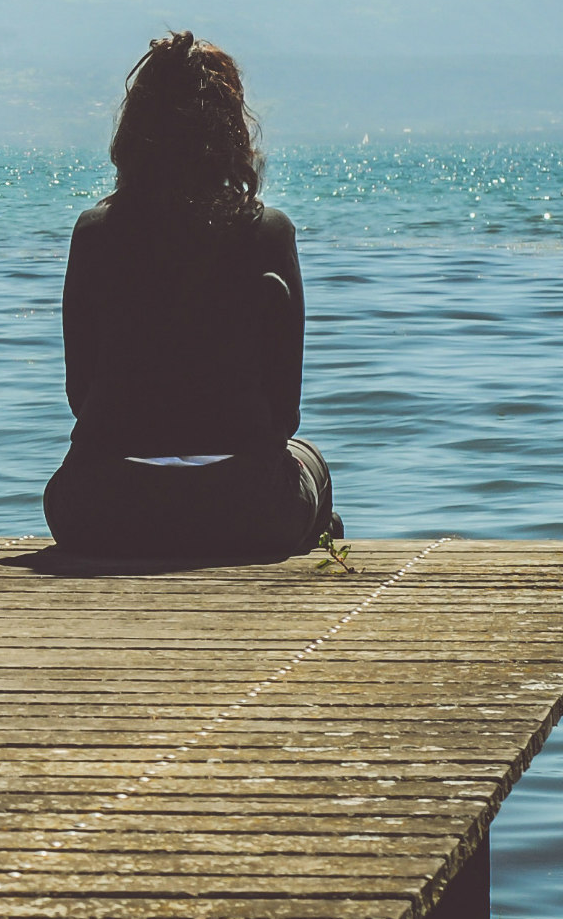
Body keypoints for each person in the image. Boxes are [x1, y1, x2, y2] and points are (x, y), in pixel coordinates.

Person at [43, 31, 341, 560]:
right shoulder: (269, 233)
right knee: (309, 459)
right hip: (248, 508)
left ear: (133, 132)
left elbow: (79, 395)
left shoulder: (94, 234)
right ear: (231, 134)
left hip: (102, 507)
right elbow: (285, 414)